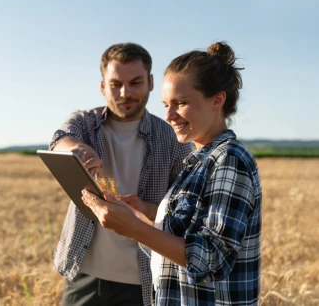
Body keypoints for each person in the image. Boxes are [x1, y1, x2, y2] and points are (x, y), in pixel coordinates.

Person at [81, 41, 262, 305]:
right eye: (166, 103)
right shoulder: (198, 161)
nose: (169, 115)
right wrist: (133, 216)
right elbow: (175, 246)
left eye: (180, 103)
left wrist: (133, 229)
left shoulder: (230, 159)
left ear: (217, 99)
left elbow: (213, 259)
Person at [49, 42, 192, 306]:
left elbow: (187, 207)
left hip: (146, 277)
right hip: (86, 272)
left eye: (135, 82)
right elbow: (60, 139)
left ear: (150, 82)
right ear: (103, 87)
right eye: (115, 84)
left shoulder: (173, 137)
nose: (125, 93)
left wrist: (148, 210)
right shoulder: (85, 123)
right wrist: (77, 148)